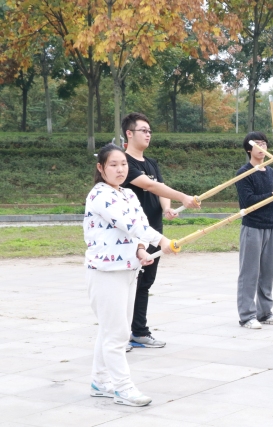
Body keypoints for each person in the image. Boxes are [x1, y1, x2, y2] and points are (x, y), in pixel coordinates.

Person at [85, 144, 175, 407]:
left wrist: (141, 250)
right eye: (113, 165)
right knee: (117, 334)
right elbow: (130, 224)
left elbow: (140, 228)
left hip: (128, 270)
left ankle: (100, 382)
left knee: (110, 330)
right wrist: (161, 241)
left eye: (123, 164)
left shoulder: (128, 194)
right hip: (105, 273)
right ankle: (123, 388)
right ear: (101, 168)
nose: (120, 169)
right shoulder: (100, 195)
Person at [122, 112, 201, 350]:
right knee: (129, 284)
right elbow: (149, 184)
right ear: (129, 133)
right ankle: (121, 334)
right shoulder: (124, 163)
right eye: (143, 130)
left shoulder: (151, 163)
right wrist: (183, 197)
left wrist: (167, 208)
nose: (148, 134)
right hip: (134, 233)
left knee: (145, 282)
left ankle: (139, 332)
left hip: (155, 230)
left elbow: (159, 188)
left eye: (149, 131)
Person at [235, 131, 273, 329]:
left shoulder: (271, 172)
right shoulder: (244, 173)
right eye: (257, 144)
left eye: (264, 144)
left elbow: (270, 197)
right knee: (249, 272)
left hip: (271, 225)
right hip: (252, 226)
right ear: (249, 149)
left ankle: (265, 313)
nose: (262, 147)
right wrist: (272, 196)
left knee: (268, 272)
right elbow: (247, 202)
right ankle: (247, 315)